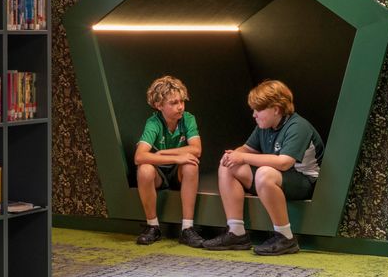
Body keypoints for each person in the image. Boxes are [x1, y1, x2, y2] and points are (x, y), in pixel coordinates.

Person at [203, 79, 324, 257]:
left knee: (264, 173)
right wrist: (233, 155)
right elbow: (246, 149)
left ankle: (285, 237)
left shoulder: (298, 126)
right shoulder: (265, 126)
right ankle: (236, 233)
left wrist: (243, 157)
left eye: (258, 110)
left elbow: (284, 162)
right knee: (227, 165)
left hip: (304, 182)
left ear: (276, 109)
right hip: (276, 179)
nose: (254, 115)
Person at [132, 75, 203, 246]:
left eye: (182, 101)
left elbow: (196, 149)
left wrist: (164, 153)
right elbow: (139, 157)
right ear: (159, 105)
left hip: (177, 173)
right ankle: (153, 227)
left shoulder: (188, 119)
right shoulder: (153, 123)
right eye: (173, 103)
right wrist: (176, 156)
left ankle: (187, 229)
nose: (180, 107)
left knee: (191, 165)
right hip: (158, 173)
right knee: (144, 169)